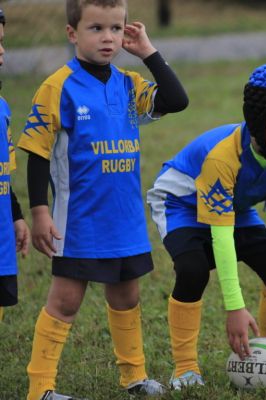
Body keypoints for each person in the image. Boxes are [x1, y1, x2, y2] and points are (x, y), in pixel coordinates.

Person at [17, 0, 188, 398]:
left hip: (123, 217)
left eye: (116, 28)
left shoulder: (128, 83)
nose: (108, 37)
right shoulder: (59, 86)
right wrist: (40, 211)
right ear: (72, 33)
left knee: (127, 295)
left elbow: (176, 100)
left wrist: (148, 52)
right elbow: (38, 152)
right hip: (78, 219)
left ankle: (134, 377)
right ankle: (40, 388)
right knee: (65, 301)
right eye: (96, 28)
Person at [146, 61, 266, 389]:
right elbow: (222, 238)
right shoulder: (223, 157)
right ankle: (185, 369)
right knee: (193, 270)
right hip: (182, 206)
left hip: (234, 207)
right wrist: (235, 307)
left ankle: (264, 352)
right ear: (256, 123)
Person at [0, 8, 30, 324]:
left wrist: (16, 216)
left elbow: (3, 172)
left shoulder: (3, 107)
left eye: (2, 41)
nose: (2, 51)